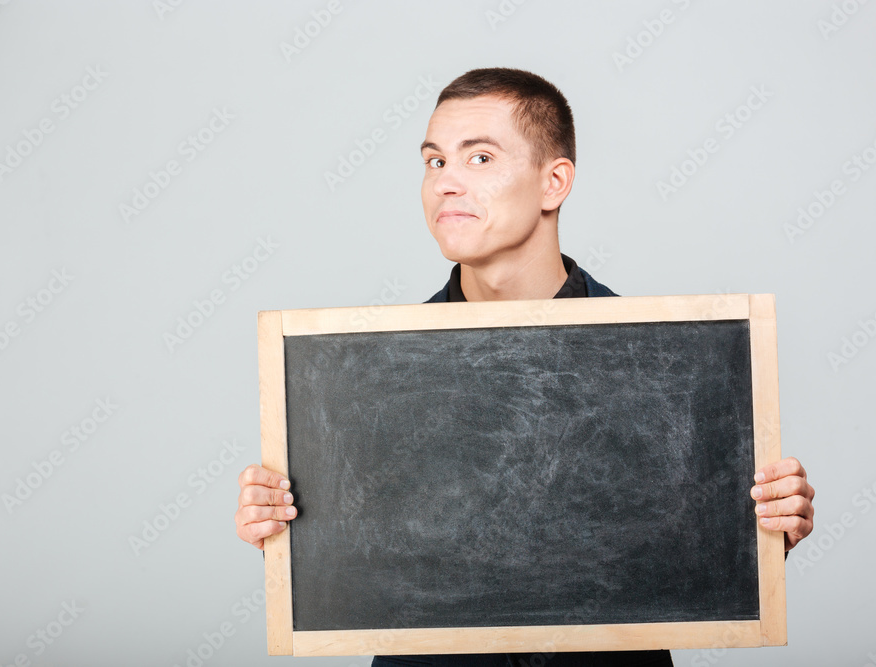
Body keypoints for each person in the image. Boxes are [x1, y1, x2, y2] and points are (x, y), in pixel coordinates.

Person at [235, 68, 816, 666]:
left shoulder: (675, 366)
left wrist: (761, 531)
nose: (446, 184)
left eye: (479, 158)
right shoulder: (359, 380)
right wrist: (288, 533)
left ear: (554, 181)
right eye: (434, 163)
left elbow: (700, 551)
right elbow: (351, 568)